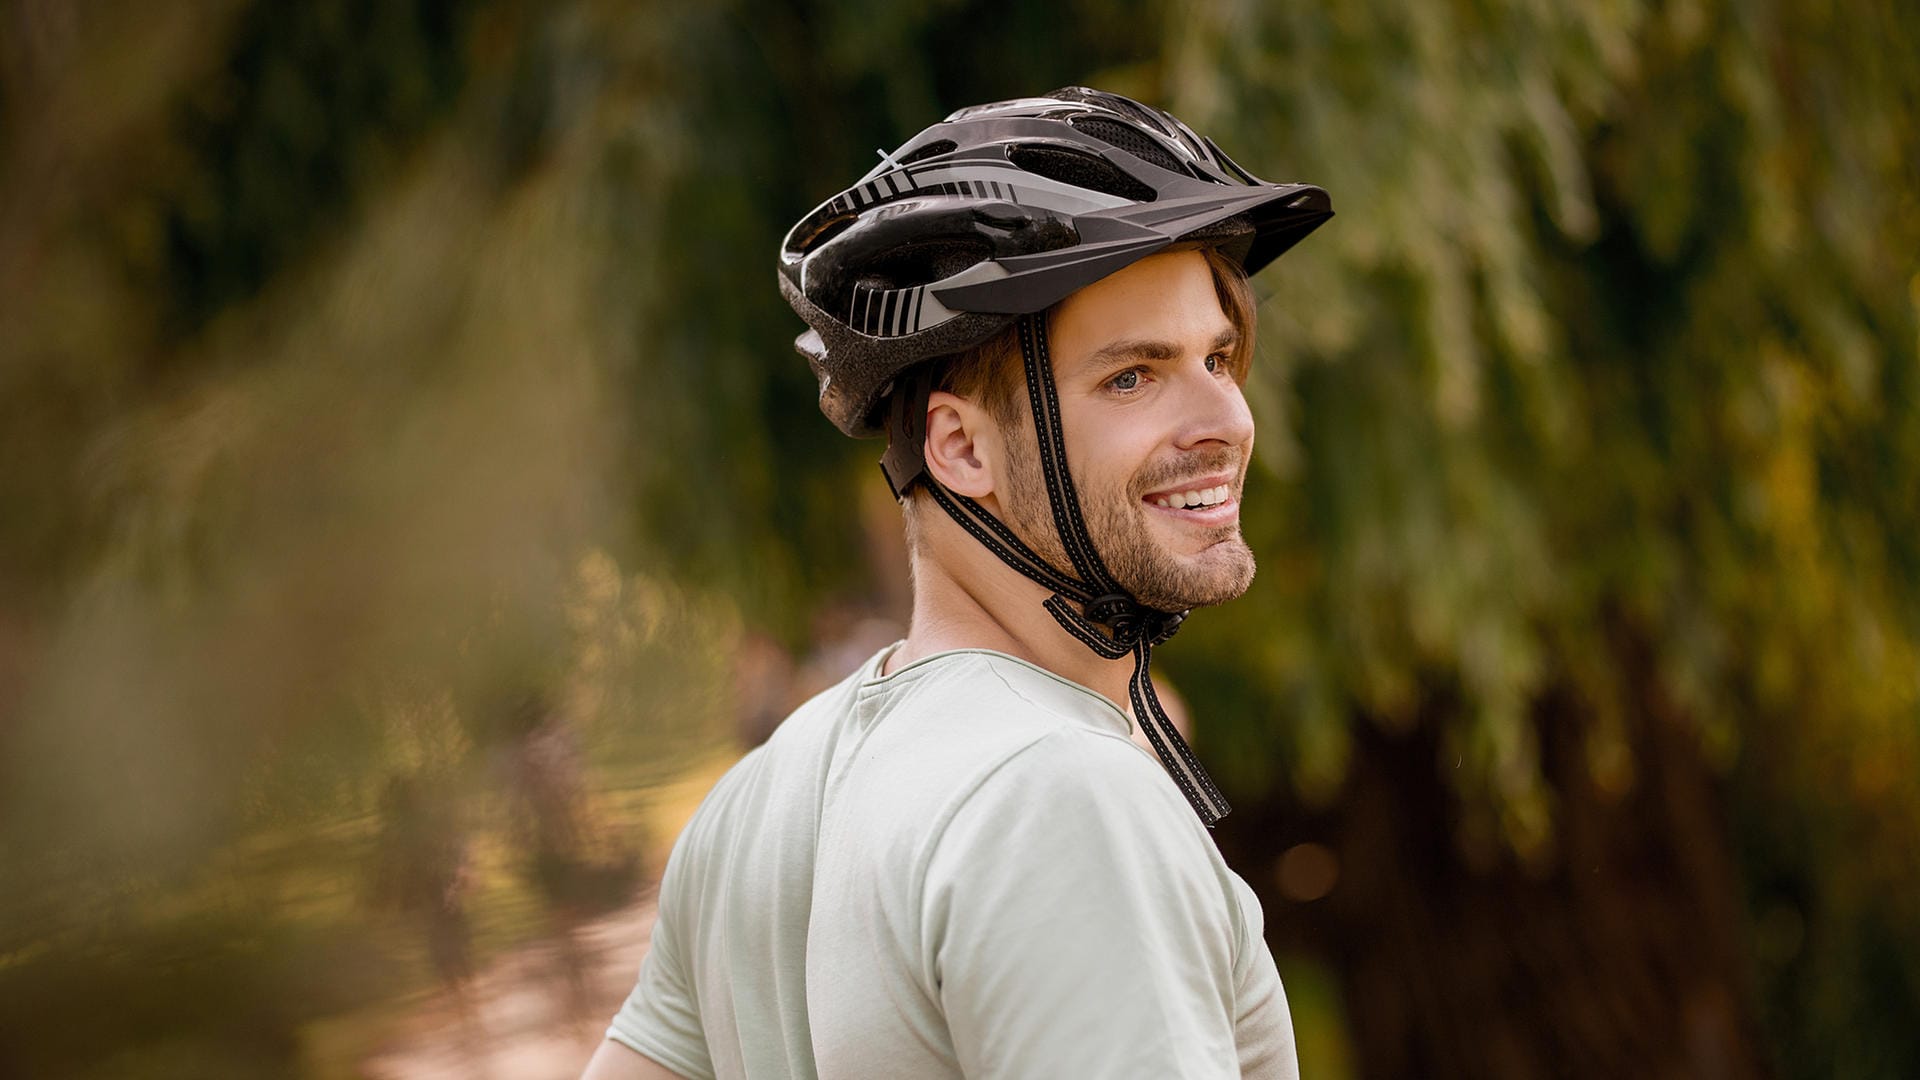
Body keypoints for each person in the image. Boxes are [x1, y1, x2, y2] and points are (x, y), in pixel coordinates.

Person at [582, 87, 1332, 1079]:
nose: (1224, 419)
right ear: (960, 447)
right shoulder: (1063, 802)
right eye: (1133, 377)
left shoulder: (749, 812)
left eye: (1217, 357)